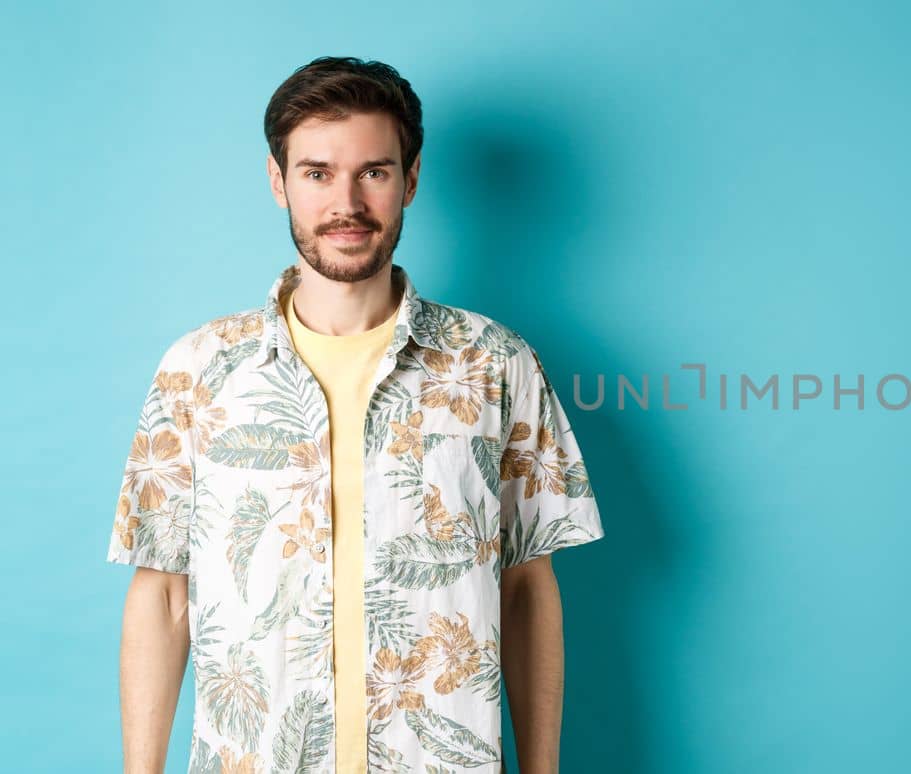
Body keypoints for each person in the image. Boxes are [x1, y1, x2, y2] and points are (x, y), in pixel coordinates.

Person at [106, 56, 604, 774]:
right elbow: (160, 596)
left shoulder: (495, 363)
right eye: (317, 173)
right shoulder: (198, 371)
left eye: (373, 171)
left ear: (411, 179)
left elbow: (527, 587)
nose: (347, 201)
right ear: (278, 182)